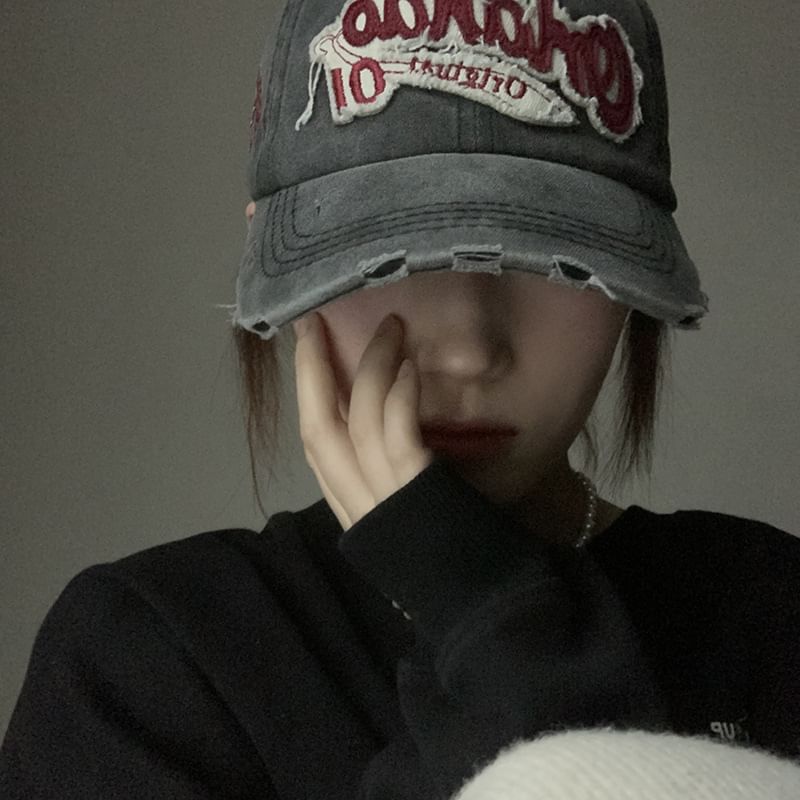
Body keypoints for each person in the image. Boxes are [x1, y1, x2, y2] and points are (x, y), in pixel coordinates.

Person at [1, 0, 798, 798]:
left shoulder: (772, 612)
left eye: (558, 257)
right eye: (387, 255)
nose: (468, 349)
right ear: (279, 262)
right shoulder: (147, 667)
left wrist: (486, 614)